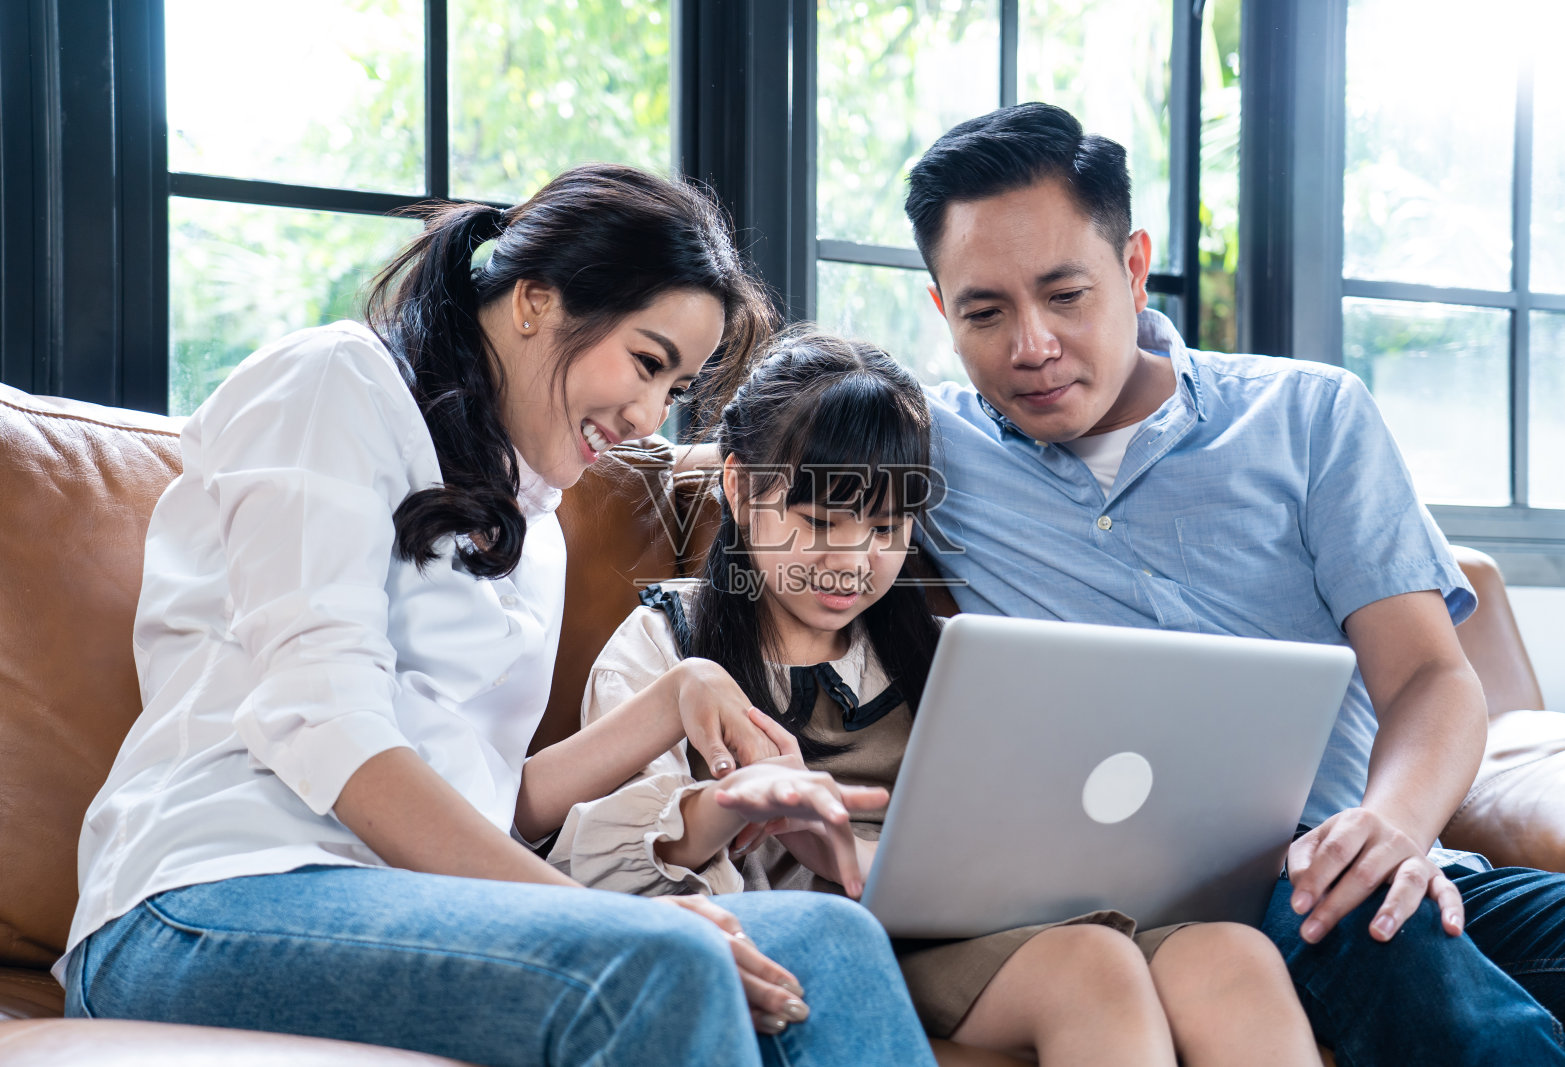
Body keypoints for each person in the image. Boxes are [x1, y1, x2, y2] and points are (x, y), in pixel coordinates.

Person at [56, 164, 938, 1067]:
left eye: (672, 391)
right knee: (662, 958)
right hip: (209, 894)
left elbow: (491, 802)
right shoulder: (332, 383)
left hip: (407, 897)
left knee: (833, 943)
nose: (646, 418)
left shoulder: (537, 519)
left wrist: (676, 694)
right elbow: (327, 728)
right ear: (534, 301)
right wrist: (593, 914)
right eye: (646, 361)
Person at [901, 101, 1565, 1064]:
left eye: (1066, 295)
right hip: (1207, 918)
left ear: (1135, 267)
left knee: (1368, 893)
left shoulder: (1309, 418)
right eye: (984, 312)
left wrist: (1390, 825)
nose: (1031, 345)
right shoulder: (918, 452)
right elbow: (729, 456)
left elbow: (1430, 680)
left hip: (1394, 864)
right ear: (942, 311)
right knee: (1343, 912)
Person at [547, 328, 1321, 1066]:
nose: (850, 561)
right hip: (853, 944)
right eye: (817, 521)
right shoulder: (668, 644)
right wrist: (735, 804)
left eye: (886, 530)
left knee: (1235, 953)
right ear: (740, 486)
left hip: (986, 919)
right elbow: (595, 868)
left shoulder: (941, 652)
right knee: (1093, 968)